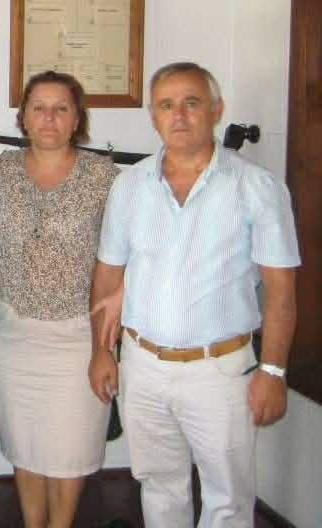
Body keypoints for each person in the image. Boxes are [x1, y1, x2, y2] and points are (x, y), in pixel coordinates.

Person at [88, 62, 299, 528]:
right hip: (143, 366)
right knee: (159, 487)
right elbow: (107, 275)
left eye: (191, 103)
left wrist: (273, 371)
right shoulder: (129, 186)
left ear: (216, 110)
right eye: (166, 105)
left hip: (219, 372)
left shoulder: (258, 187)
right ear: (153, 116)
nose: (179, 115)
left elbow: (282, 292)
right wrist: (101, 351)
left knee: (228, 499)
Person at [0, 70, 117, 528]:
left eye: (61, 109)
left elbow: (128, 254)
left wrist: (106, 344)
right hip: (12, 332)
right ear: (23, 116)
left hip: (78, 335)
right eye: (38, 108)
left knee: (69, 452)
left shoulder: (104, 177)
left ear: (77, 118)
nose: (49, 118)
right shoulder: (0, 172)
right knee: (25, 447)